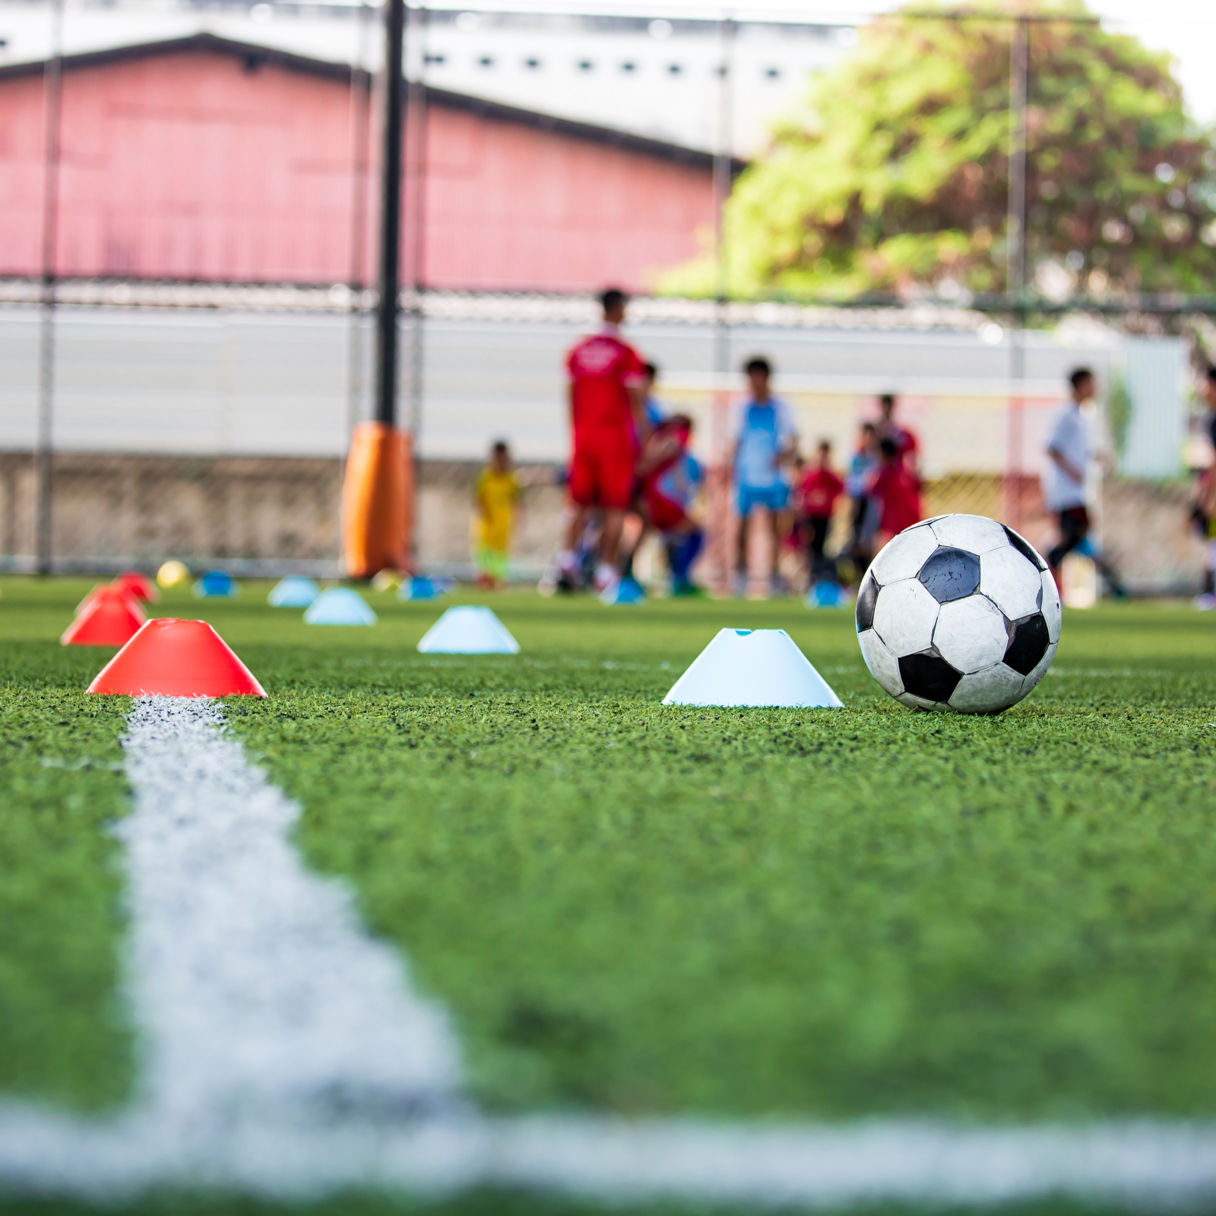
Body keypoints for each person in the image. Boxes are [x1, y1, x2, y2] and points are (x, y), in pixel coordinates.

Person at [558, 287, 648, 594]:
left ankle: (566, 562)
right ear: (616, 309)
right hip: (614, 440)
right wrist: (645, 437)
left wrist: (577, 431)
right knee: (614, 507)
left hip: (583, 437)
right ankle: (606, 571)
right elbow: (636, 401)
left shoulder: (577, 350)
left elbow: (570, 396)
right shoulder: (626, 353)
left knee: (578, 503)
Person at [1043, 367, 1126, 596]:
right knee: (1075, 533)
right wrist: (1073, 472)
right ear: (1079, 385)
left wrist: (1099, 457)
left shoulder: (1083, 415)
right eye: (1091, 383)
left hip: (1077, 491)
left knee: (1078, 533)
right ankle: (1047, 565)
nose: (1095, 389)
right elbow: (1052, 448)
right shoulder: (1066, 415)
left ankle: (1056, 571)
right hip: (1065, 491)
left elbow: (1080, 450)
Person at [732, 357, 797, 594]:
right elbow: (736, 441)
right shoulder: (742, 408)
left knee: (774, 531)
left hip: (773, 480)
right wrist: (730, 470)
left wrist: (782, 457)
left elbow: (793, 440)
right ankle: (740, 577)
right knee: (741, 530)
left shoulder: (781, 408)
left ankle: (774, 578)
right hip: (747, 479)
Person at [637, 413, 705, 595]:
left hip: (658, 499)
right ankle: (679, 578)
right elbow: (644, 466)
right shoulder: (672, 439)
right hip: (660, 499)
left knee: (664, 537)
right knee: (695, 533)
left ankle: (674, 576)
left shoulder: (662, 440)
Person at [795, 439, 845, 585]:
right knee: (810, 547)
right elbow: (802, 494)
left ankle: (819, 576)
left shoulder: (831, 476)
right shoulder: (810, 475)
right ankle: (810, 576)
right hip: (812, 517)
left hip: (825, 517)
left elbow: (840, 491)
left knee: (821, 547)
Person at [472, 440, 520, 589]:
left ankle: (498, 579)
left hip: (503, 524)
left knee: (500, 555)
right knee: (485, 552)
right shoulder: (485, 478)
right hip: (486, 524)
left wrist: (516, 520)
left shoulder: (511, 479)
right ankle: (485, 578)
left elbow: (515, 501)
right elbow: (478, 500)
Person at [869, 436, 923, 545]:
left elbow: (871, 488)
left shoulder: (885, 474)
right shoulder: (905, 471)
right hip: (911, 519)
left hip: (895, 524)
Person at [845, 421, 881, 575]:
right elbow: (852, 483)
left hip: (872, 502)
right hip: (859, 500)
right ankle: (859, 574)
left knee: (870, 539)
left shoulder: (877, 458)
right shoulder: (856, 458)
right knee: (857, 537)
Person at [875, 393, 920, 477]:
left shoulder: (902, 434)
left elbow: (912, 456)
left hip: (895, 474)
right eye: (884, 405)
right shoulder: (873, 433)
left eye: (889, 406)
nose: (886, 409)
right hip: (878, 473)